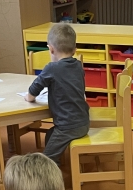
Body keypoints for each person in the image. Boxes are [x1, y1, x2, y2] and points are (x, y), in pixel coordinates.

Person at [24, 23, 89, 163]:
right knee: (50, 134)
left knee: (45, 161)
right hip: (83, 123)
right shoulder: (78, 66)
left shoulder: (52, 68)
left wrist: (28, 97)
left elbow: (33, 90)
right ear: (74, 50)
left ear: (51, 49)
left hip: (67, 126)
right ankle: (57, 164)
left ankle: (51, 171)